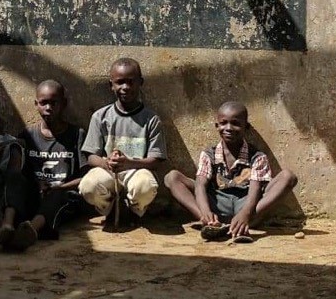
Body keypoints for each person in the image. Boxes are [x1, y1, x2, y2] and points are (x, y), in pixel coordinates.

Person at [164, 100, 298, 242]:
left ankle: (243, 223)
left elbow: (255, 189)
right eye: (223, 123)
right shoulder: (209, 154)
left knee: (288, 177)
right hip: (216, 204)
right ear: (217, 126)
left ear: (246, 127)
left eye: (236, 123)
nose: (228, 128)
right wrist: (205, 211)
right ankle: (209, 223)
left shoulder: (257, 157)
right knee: (172, 178)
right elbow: (200, 185)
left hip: (247, 205)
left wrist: (245, 214)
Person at [0, 79, 89, 251]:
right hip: (35, 195)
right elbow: (19, 174)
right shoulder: (27, 135)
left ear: (64, 104)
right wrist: (36, 184)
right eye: (43, 103)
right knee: (14, 178)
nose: (49, 108)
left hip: (63, 196)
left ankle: (31, 230)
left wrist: (60, 187)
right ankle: (7, 226)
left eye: (54, 103)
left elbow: (85, 176)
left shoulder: (76, 135)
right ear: (36, 104)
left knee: (57, 194)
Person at [78, 57, 166, 229]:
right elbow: (90, 156)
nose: (125, 87)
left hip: (137, 170)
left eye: (131, 82)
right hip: (109, 171)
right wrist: (106, 162)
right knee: (88, 186)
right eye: (120, 82)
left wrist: (129, 163)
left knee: (145, 187)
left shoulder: (151, 119)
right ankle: (110, 209)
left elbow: (156, 160)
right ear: (111, 85)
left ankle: (133, 210)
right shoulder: (100, 117)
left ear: (140, 83)